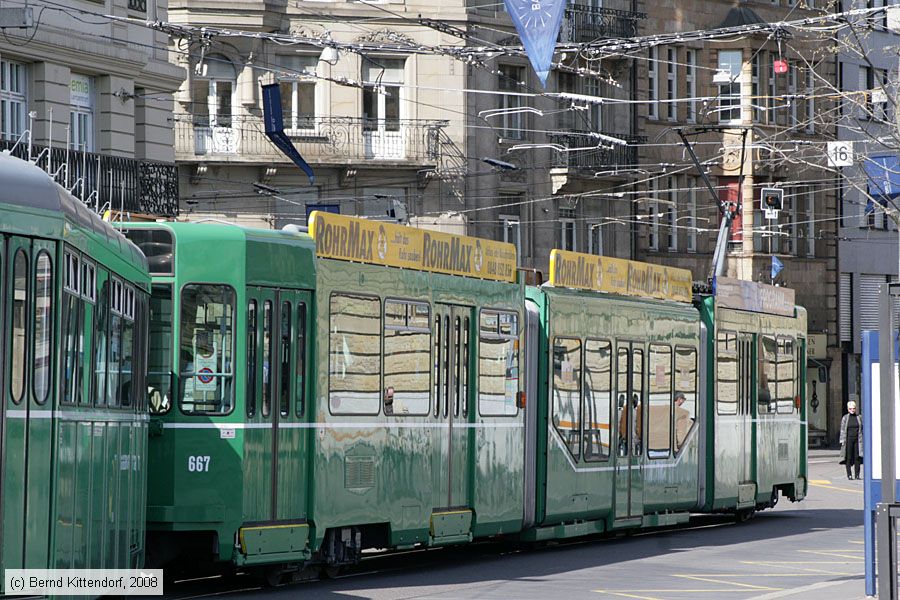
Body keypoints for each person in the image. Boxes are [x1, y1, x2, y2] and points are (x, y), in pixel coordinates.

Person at [840, 400, 863, 480]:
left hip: (857, 439)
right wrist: (842, 441)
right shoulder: (845, 418)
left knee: (857, 457)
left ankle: (857, 475)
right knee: (848, 457)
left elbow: (862, 428)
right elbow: (842, 430)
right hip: (848, 440)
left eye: (853, 408)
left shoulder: (859, 417)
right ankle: (849, 475)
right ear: (848, 409)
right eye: (850, 409)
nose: (852, 410)